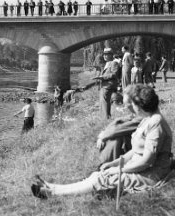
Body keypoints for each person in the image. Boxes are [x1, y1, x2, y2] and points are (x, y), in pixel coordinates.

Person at [31, 85, 173, 198]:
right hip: (139, 168)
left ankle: (53, 193)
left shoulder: (156, 124)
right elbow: (135, 151)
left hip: (150, 174)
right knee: (99, 174)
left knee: (103, 178)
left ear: (141, 105)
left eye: (133, 104)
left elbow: (147, 161)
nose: (131, 108)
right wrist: (114, 163)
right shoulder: (148, 119)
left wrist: (119, 169)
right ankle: (52, 187)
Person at [97, 85, 142, 166]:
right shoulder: (136, 114)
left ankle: (106, 165)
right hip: (135, 148)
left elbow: (120, 129)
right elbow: (119, 121)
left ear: (133, 103)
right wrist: (104, 133)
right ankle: (106, 165)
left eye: (127, 104)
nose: (126, 106)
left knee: (117, 138)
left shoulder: (143, 117)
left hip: (140, 151)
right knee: (115, 135)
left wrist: (103, 136)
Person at [94, 48, 119, 119]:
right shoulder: (106, 64)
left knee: (105, 102)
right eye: (104, 55)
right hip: (104, 85)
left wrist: (103, 77)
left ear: (111, 55)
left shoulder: (114, 63)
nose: (105, 56)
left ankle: (106, 118)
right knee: (103, 101)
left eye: (107, 55)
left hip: (108, 85)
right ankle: (104, 117)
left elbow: (114, 74)